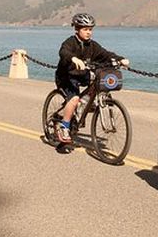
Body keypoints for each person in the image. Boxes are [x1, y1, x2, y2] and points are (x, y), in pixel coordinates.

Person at [53, 13, 129, 145]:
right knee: (75, 99)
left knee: (96, 87)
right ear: (77, 29)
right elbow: (64, 52)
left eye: (90, 29)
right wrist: (74, 58)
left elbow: (105, 54)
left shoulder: (92, 46)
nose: (88, 32)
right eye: (85, 29)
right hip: (66, 76)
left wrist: (120, 59)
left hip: (82, 75)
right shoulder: (70, 42)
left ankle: (81, 109)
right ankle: (64, 127)